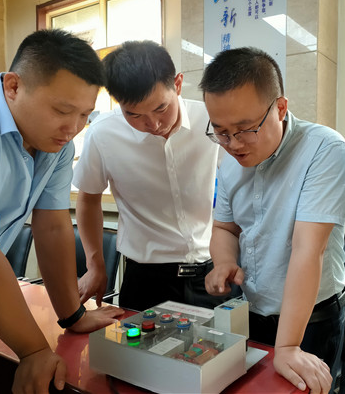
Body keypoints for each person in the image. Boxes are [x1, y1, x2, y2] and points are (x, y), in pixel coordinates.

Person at [0, 29, 124, 394]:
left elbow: (52, 226)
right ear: (13, 86)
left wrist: (72, 314)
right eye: (62, 111)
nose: (73, 128)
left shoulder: (56, 145)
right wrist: (33, 349)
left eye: (85, 115)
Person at [200, 47, 345, 394]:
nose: (233, 144)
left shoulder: (324, 150)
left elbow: (307, 250)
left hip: (309, 321)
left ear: (280, 108)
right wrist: (224, 262)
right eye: (221, 132)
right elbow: (225, 227)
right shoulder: (229, 163)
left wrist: (287, 346)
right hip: (252, 312)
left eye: (245, 129)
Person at [73, 40, 232, 312]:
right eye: (134, 114)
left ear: (178, 84)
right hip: (146, 281)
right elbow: (88, 199)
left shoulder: (210, 119)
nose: (153, 124)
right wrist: (95, 264)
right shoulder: (103, 134)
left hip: (213, 273)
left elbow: (241, 182)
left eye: (161, 108)